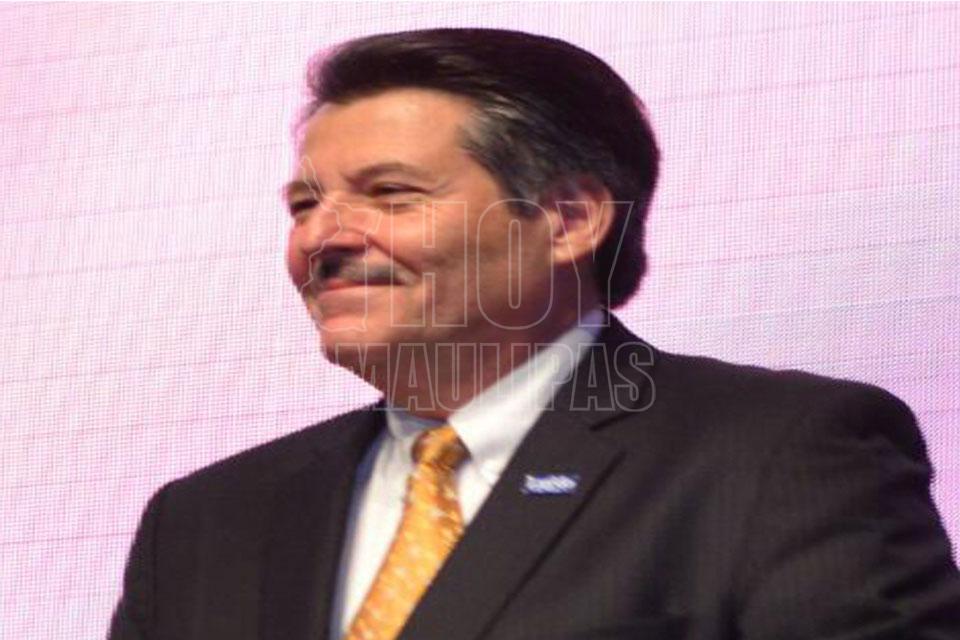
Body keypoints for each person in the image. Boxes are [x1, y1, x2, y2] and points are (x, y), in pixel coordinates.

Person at [108, 29, 960, 640]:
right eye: (304, 205)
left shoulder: (775, 454)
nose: (322, 237)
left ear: (569, 219)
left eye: (391, 194)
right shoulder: (204, 521)